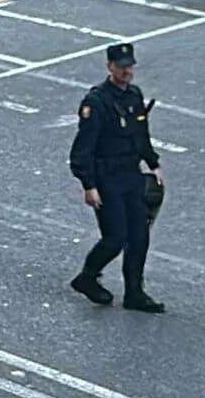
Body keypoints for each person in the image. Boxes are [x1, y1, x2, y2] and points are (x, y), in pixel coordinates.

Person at [68, 43, 164, 314]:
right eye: (121, 67)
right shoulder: (96, 102)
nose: (126, 72)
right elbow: (83, 149)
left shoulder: (134, 95)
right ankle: (87, 277)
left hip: (131, 175)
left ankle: (135, 293)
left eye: (129, 66)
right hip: (107, 177)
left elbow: (141, 134)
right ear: (109, 66)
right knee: (115, 237)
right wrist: (89, 185)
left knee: (139, 236)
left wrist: (153, 162)